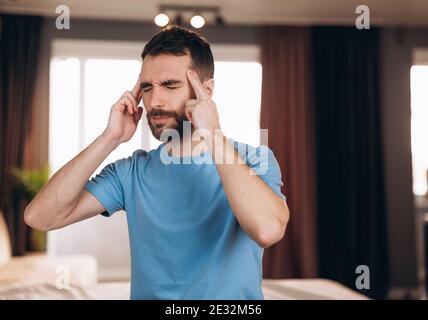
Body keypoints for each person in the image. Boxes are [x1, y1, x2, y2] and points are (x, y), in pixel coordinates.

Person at [24, 26, 289, 300]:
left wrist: (213, 133)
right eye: (147, 87)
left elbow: (267, 230)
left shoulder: (253, 159)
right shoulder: (131, 171)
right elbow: (39, 217)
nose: (155, 101)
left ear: (205, 91)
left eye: (170, 85)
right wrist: (109, 138)